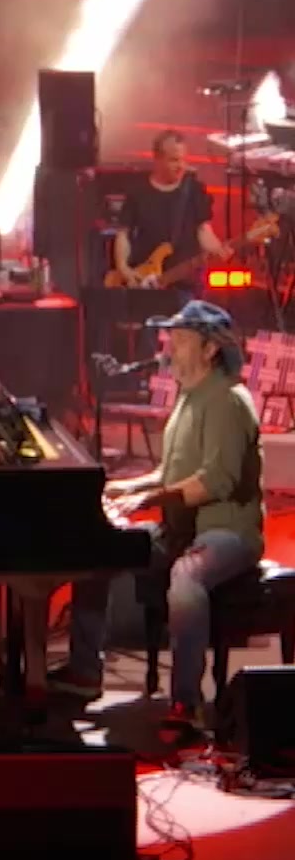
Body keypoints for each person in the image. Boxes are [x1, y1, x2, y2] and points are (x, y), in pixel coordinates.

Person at [51, 300, 263, 735]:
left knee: (187, 577)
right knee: (101, 550)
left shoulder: (227, 400)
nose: (169, 348)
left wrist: (147, 500)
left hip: (228, 531)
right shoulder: (189, 397)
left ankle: (186, 702)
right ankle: (85, 670)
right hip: (180, 528)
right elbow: (170, 473)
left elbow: (216, 482)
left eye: (180, 340)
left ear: (210, 349)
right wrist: (121, 488)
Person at [113, 130, 231, 292]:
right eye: (174, 160)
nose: (181, 166)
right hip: (147, 283)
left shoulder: (194, 190)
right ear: (157, 159)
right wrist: (123, 268)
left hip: (186, 284)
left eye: (183, 160)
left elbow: (203, 230)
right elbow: (123, 234)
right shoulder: (138, 192)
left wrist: (217, 249)